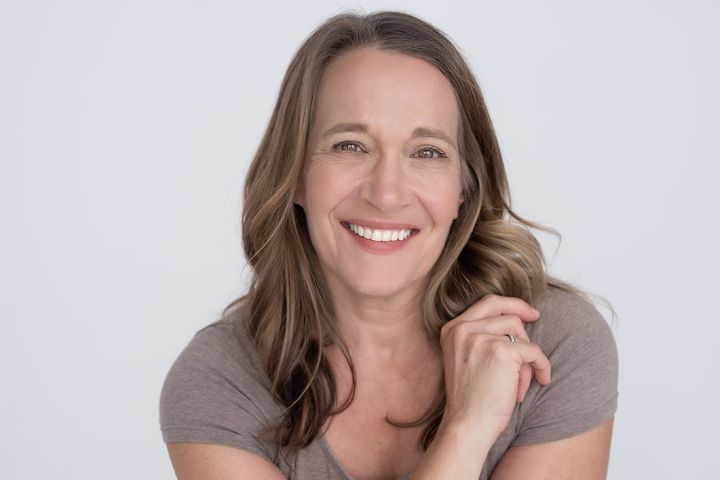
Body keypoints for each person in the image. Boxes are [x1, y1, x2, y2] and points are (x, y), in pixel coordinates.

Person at [159, 10, 618, 480]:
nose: (386, 193)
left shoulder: (551, 346)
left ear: (463, 188)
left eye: (427, 153)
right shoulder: (219, 381)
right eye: (350, 146)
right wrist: (465, 430)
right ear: (294, 174)